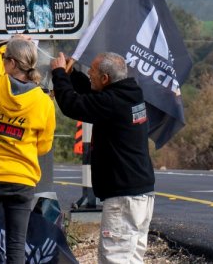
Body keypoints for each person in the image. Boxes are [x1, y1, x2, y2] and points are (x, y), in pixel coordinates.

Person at [50, 51, 155, 264]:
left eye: (93, 71)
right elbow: (92, 93)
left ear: (106, 78)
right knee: (131, 258)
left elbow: (73, 105)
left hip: (123, 198)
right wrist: (72, 74)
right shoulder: (130, 93)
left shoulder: (113, 102)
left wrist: (59, 74)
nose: (89, 72)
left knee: (114, 258)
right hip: (139, 194)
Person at [0, 35, 58, 264]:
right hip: (22, 179)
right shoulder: (42, 102)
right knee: (16, 245)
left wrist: (7, 44)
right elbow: (43, 146)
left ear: (10, 63)